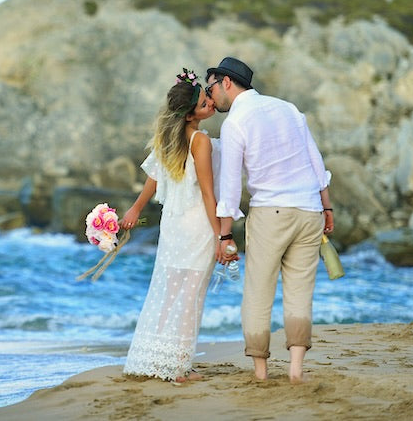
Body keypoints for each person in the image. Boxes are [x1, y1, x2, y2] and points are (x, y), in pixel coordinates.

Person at [205, 57, 334, 384]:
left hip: (271, 214)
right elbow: (315, 161)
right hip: (309, 211)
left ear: (227, 83)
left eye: (212, 87)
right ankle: (295, 370)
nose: (211, 95)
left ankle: (261, 372)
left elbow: (231, 187)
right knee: (300, 292)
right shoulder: (288, 108)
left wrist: (224, 236)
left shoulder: (236, 121)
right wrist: (327, 208)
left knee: (259, 292)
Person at [121, 68, 221, 383]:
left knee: (168, 291)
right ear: (190, 115)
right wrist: (222, 235)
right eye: (205, 103)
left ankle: (155, 358)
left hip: (173, 227)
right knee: (190, 296)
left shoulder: (169, 138)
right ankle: (179, 367)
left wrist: (135, 209)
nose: (211, 105)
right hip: (196, 227)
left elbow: (154, 178)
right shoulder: (200, 140)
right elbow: (207, 192)